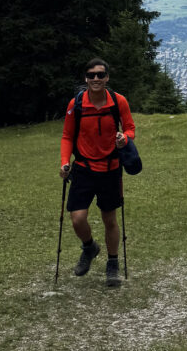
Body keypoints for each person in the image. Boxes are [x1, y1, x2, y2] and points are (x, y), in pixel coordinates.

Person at [59, 58, 136, 287]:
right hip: (83, 169)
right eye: (91, 75)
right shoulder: (77, 104)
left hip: (111, 169)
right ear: (85, 78)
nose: (95, 79)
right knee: (77, 219)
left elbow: (130, 128)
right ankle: (89, 247)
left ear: (107, 78)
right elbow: (67, 136)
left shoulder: (118, 101)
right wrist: (65, 162)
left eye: (100, 75)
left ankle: (112, 265)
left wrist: (126, 138)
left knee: (109, 219)